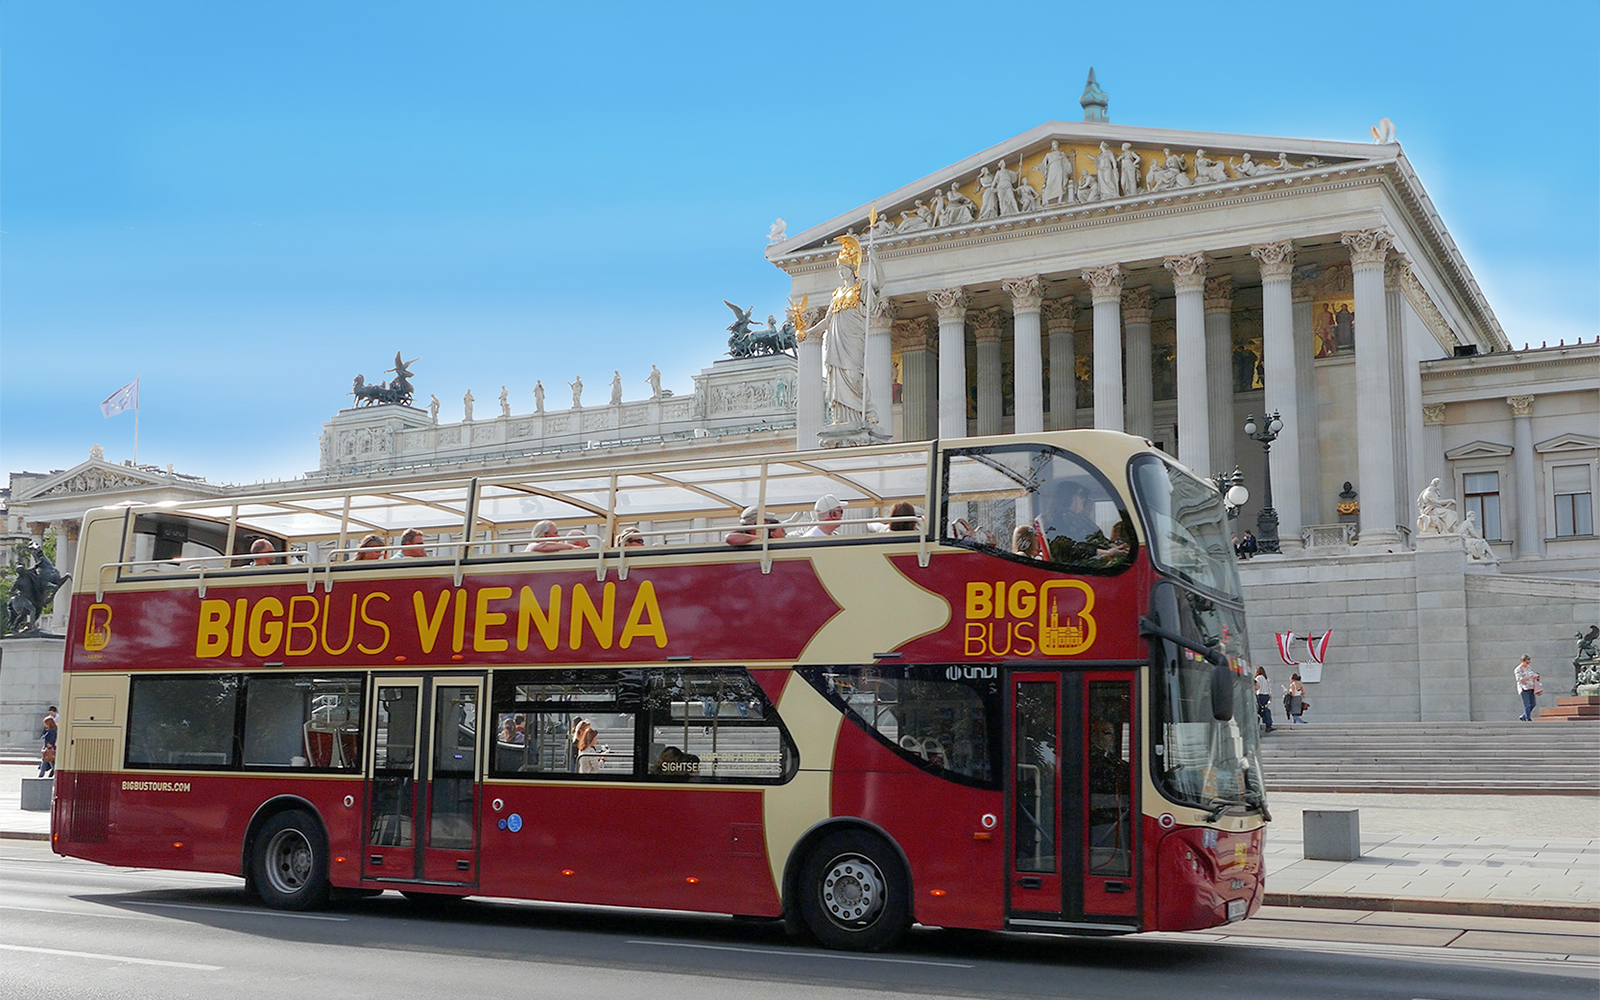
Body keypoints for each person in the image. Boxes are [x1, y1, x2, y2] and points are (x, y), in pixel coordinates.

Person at [1514, 654, 1541, 721]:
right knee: (1527, 704)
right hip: (1524, 688)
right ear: (1522, 661)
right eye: (1527, 662)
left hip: (1531, 687)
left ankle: (1524, 715)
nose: (1528, 664)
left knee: (1533, 704)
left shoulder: (1529, 668)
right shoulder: (1518, 669)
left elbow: (1532, 674)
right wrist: (1528, 678)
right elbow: (1519, 679)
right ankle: (1527, 717)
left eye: (1529, 662)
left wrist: (1536, 676)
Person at [1254, 666, 1275, 733]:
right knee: (1265, 709)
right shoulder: (1267, 679)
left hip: (1260, 695)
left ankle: (1256, 725)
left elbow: (1256, 687)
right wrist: (1270, 696)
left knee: (1257, 710)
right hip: (1266, 695)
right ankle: (1268, 724)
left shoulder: (1258, 678)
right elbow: (1269, 688)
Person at [39, 706, 58, 778]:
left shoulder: (52, 730)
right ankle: (41, 775)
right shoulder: (50, 730)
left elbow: (52, 739)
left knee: (49, 761)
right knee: (46, 761)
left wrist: (48, 746)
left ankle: (42, 775)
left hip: (49, 748)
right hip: (48, 748)